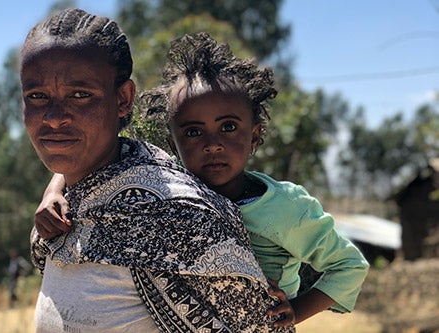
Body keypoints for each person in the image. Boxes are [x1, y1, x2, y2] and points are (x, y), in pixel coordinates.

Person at [36, 31, 369, 327]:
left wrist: (296, 310)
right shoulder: (166, 185)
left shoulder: (286, 207)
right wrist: (54, 189)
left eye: (228, 127)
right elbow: (101, 156)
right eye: (193, 132)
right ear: (172, 145)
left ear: (255, 135)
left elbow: (350, 266)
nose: (212, 144)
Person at [21, 8, 294, 333]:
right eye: (37, 96)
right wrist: (55, 188)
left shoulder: (181, 216)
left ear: (123, 99)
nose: (54, 117)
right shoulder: (65, 209)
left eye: (81, 95)